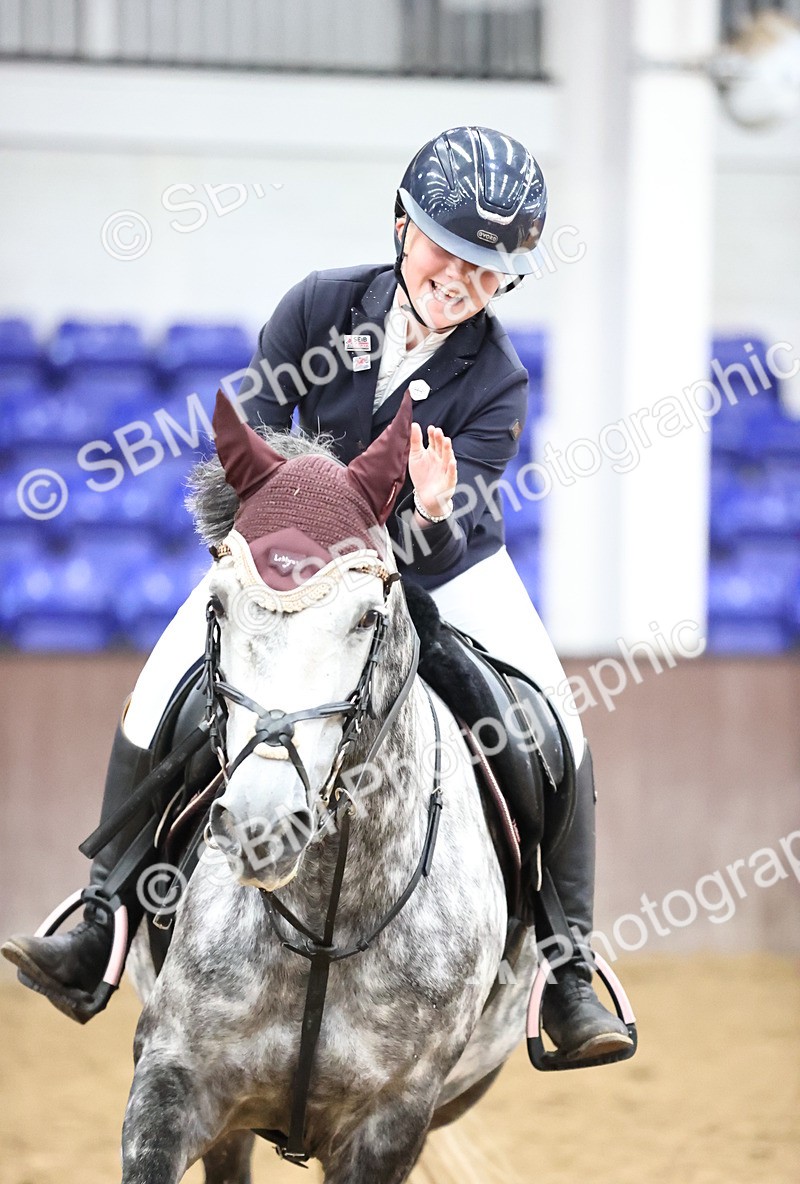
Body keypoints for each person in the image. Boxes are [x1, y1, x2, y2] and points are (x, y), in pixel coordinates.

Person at [2, 126, 632, 1063]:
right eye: (446, 249)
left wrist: (433, 508)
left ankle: (568, 969)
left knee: (557, 730)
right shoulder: (319, 307)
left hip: (444, 567)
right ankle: (102, 917)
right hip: (294, 553)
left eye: (487, 268)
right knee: (161, 684)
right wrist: (291, 533)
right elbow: (250, 443)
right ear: (402, 228)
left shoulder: (497, 379)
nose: (461, 278)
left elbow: (440, 536)